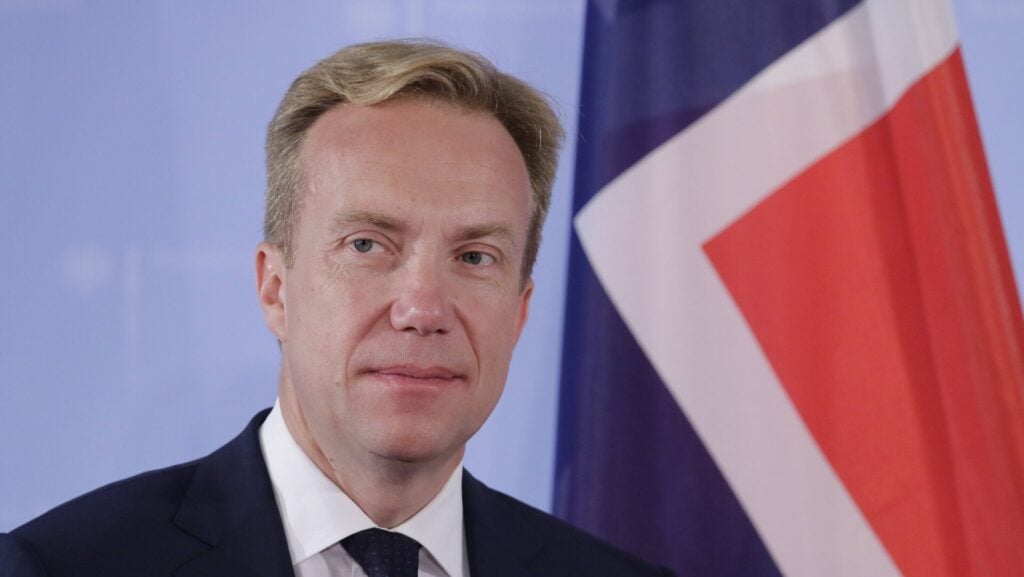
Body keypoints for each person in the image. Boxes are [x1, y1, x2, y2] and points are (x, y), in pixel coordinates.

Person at [0, 40, 674, 577]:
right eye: (367, 245)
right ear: (276, 289)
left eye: (475, 256)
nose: (422, 308)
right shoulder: (63, 566)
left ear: (520, 312)